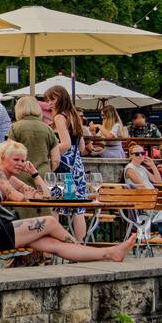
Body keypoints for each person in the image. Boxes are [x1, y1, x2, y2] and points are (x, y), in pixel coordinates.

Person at [0, 134, 135, 263]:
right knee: (48, 221)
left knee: (51, 244)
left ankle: (110, 253)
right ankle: (80, 247)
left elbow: (37, 195)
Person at [46, 84, 88, 241]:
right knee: (78, 209)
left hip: (63, 166)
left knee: (54, 206)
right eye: (48, 100)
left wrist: (49, 151)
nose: (49, 103)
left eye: (52, 99)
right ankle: (80, 246)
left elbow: (66, 144)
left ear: (61, 98)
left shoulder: (59, 117)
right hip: (77, 166)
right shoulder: (74, 115)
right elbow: (82, 147)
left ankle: (54, 246)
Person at [9, 95, 61, 181]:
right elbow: (56, 159)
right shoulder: (48, 129)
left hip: (21, 176)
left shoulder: (14, 128)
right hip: (44, 175)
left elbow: (9, 154)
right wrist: (47, 170)